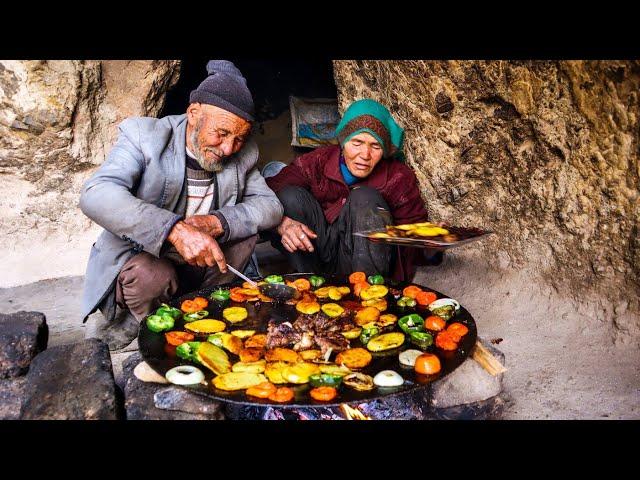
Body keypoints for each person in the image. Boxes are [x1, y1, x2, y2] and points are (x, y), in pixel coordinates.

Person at [79, 60, 283, 350]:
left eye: (239, 139)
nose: (228, 149)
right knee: (152, 276)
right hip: (148, 257)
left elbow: (269, 206)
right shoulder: (144, 136)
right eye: (222, 133)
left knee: (245, 234)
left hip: (203, 262)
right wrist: (175, 230)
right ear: (194, 113)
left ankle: (206, 313)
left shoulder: (243, 154)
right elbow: (96, 193)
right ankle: (149, 327)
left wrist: (216, 223)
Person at [265, 98, 442, 282]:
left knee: (365, 198)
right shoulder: (318, 161)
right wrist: (282, 224)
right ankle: (308, 286)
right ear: (343, 142)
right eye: (357, 142)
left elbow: (412, 240)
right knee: (288, 196)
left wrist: (430, 245)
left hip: (365, 265)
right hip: (316, 253)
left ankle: (366, 297)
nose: (365, 155)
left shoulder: (398, 178)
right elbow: (266, 192)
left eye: (375, 146)